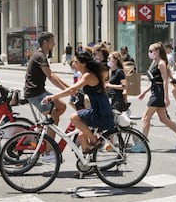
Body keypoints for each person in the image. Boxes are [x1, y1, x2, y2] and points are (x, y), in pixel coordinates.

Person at [42, 51, 114, 153]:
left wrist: (52, 97)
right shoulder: (84, 74)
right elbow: (75, 89)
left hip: (100, 111)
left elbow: (72, 89)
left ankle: (95, 141)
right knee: (81, 136)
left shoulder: (88, 75)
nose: (73, 64)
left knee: (74, 117)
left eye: (75, 62)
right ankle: (87, 164)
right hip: (97, 108)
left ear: (83, 63)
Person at [24, 32, 68, 160]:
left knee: (62, 106)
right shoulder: (40, 56)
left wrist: (70, 89)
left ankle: (46, 129)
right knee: (54, 116)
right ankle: (48, 153)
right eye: (52, 41)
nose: (54, 44)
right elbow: (51, 76)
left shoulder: (41, 55)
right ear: (45, 42)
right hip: (35, 93)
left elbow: (53, 74)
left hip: (40, 91)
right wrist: (69, 90)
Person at [132, 42, 176, 152]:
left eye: (151, 51)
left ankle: (142, 144)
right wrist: (144, 92)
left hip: (158, 93)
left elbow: (164, 81)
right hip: (156, 91)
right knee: (164, 119)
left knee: (145, 117)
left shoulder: (161, 64)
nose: (149, 53)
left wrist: (166, 97)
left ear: (157, 51)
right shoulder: (156, 63)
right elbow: (155, 81)